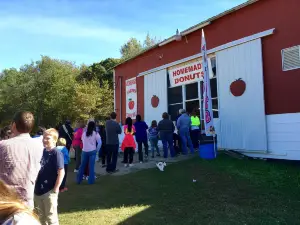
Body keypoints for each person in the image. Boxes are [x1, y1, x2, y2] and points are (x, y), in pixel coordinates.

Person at [0, 111, 43, 209]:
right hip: (27, 199)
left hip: (6, 201)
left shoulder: (3, 146)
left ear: (14, 125)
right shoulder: (38, 146)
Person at [34, 128, 65, 225]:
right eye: (44, 138)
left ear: (55, 140)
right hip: (38, 190)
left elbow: (61, 171)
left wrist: (56, 188)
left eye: (47, 138)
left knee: (51, 218)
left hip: (49, 191)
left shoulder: (56, 153)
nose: (44, 140)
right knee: (40, 217)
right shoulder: (43, 151)